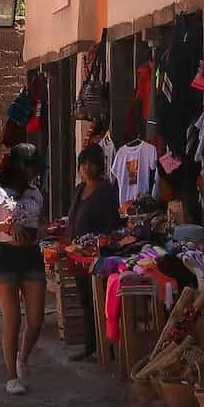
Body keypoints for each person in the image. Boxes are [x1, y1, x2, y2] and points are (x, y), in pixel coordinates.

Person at [0, 142, 47, 394]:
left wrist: (41, 231)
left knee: (37, 319)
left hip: (31, 254)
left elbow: (41, 222)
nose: (34, 173)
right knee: (13, 319)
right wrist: (5, 227)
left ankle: (23, 359)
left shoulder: (36, 193)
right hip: (4, 256)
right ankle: (11, 377)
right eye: (30, 168)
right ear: (19, 167)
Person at [66, 143, 122, 360]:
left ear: (99, 166)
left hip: (99, 256)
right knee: (85, 300)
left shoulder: (105, 190)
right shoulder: (79, 189)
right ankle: (90, 345)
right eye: (84, 164)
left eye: (91, 164)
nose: (87, 168)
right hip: (78, 255)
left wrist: (99, 245)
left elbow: (112, 224)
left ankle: (105, 348)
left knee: (99, 300)